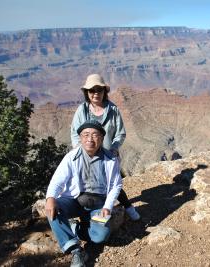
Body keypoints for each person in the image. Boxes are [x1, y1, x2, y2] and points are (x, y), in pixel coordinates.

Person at [45, 120, 121, 267]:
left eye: (94, 135)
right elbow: (57, 181)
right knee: (52, 210)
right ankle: (76, 250)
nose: (90, 139)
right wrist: (50, 198)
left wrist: (108, 207)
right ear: (80, 138)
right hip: (74, 202)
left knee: (100, 236)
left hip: (98, 206)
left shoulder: (111, 159)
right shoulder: (71, 157)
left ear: (101, 138)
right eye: (85, 135)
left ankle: (75, 227)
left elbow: (116, 185)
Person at [70, 74, 140, 221]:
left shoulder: (113, 110)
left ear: (104, 91)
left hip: (108, 154)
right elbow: (75, 134)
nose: (95, 93)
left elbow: (120, 133)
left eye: (99, 90)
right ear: (86, 93)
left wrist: (114, 148)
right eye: (92, 90)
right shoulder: (81, 110)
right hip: (87, 156)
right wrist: (80, 150)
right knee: (90, 185)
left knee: (113, 183)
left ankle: (128, 207)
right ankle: (90, 215)